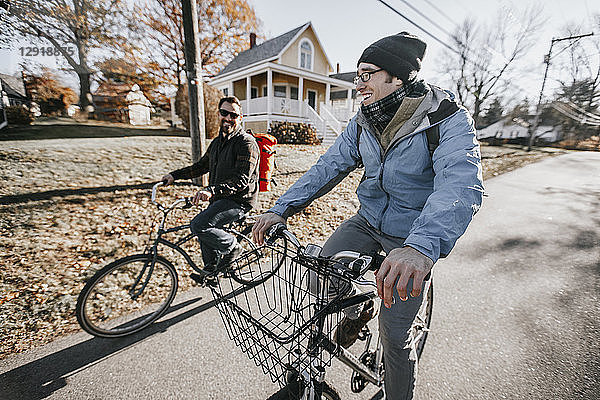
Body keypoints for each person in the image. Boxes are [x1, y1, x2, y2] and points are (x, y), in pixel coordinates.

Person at [252, 32, 484, 399]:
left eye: (366, 74)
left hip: (411, 237)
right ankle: (358, 310)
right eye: (357, 76)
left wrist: (420, 248)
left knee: (394, 334)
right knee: (315, 279)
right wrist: (281, 208)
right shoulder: (364, 121)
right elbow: (328, 166)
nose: (358, 84)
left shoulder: (446, 119)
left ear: (398, 76)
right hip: (368, 220)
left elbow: (460, 186)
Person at [162, 96, 260, 280]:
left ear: (240, 118)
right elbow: (200, 167)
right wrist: (174, 176)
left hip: (239, 201)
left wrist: (211, 190)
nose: (228, 118)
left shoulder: (246, 143)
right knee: (204, 227)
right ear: (219, 114)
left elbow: (241, 181)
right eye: (225, 113)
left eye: (234, 115)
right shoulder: (217, 143)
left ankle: (233, 247)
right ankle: (212, 272)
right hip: (220, 198)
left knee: (199, 224)